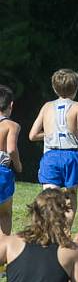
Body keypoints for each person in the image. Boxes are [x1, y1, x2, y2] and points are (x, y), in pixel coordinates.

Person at [29, 69, 78, 221]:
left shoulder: (47, 106)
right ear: (76, 88)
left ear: (54, 88)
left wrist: (50, 133)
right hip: (70, 155)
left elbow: (32, 135)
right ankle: (65, 233)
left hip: (51, 155)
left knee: (49, 198)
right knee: (70, 196)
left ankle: (48, 231)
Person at [0, 86, 23, 235]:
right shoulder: (12, 125)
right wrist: (18, 165)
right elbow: (11, 149)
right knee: (5, 214)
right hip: (2, 172)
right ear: (11, 105)